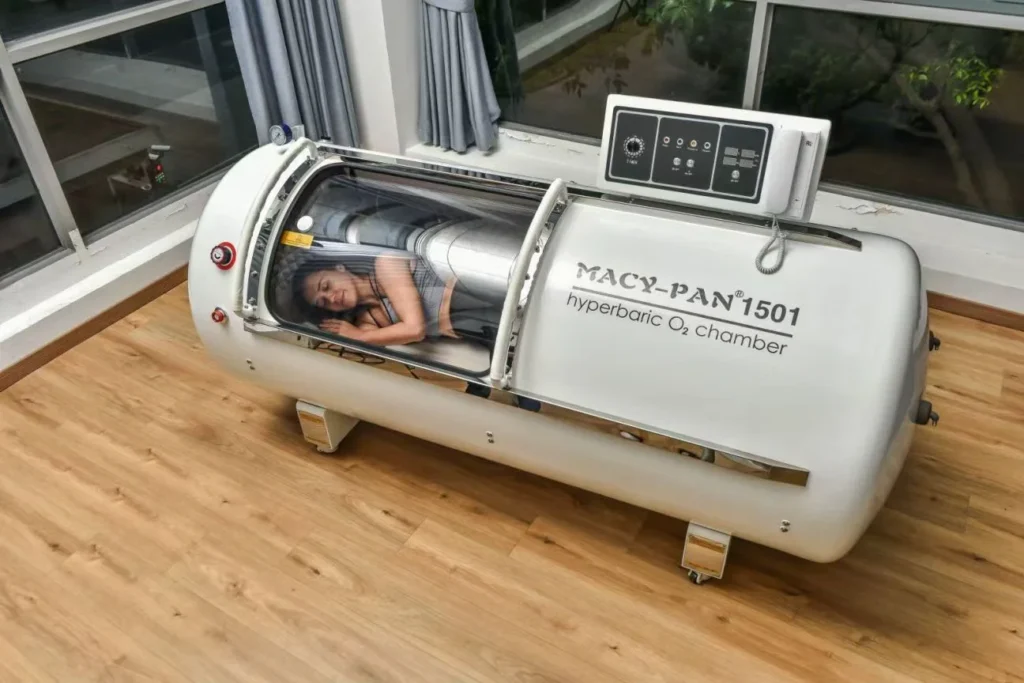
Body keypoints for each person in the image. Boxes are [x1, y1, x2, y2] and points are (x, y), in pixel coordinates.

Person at [287, 250, 502, 348]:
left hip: (477, 291)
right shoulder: (368, 323)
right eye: (323, 302)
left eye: (326, 286)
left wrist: (361, 337)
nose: (331, 297)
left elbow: (414, 330)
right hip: (474, 329)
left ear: (339, 268)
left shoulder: (386, 263)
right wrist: (358, 335)